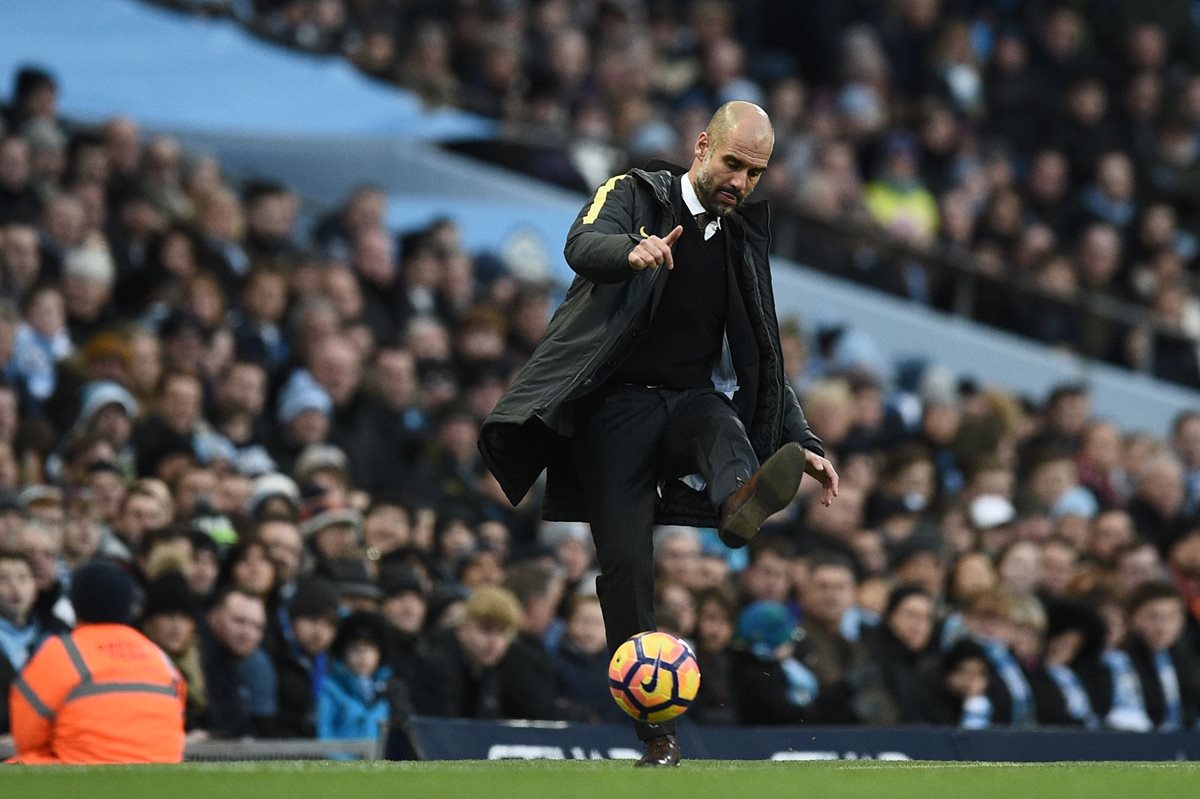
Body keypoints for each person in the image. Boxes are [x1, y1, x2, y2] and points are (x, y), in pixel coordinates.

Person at [479, 101, 839, 766]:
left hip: (687, 402)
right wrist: (631, 250)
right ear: (702, 145)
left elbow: (764, 357)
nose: (740, 182)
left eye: (755, 173)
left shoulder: (740, 240)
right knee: (626, 567)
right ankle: (656, 733)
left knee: (718, 420)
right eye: (733, 163)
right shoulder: (635, 192)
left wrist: (805, 441)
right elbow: (581, 244)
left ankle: (740, 501)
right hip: (613, 411)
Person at [7, 560, 185, 764]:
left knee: (17, 765)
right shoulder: (159, 657)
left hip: (83, 776)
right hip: (162, 774)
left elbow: (27, 736)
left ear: (74, 604)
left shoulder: (62, 653)